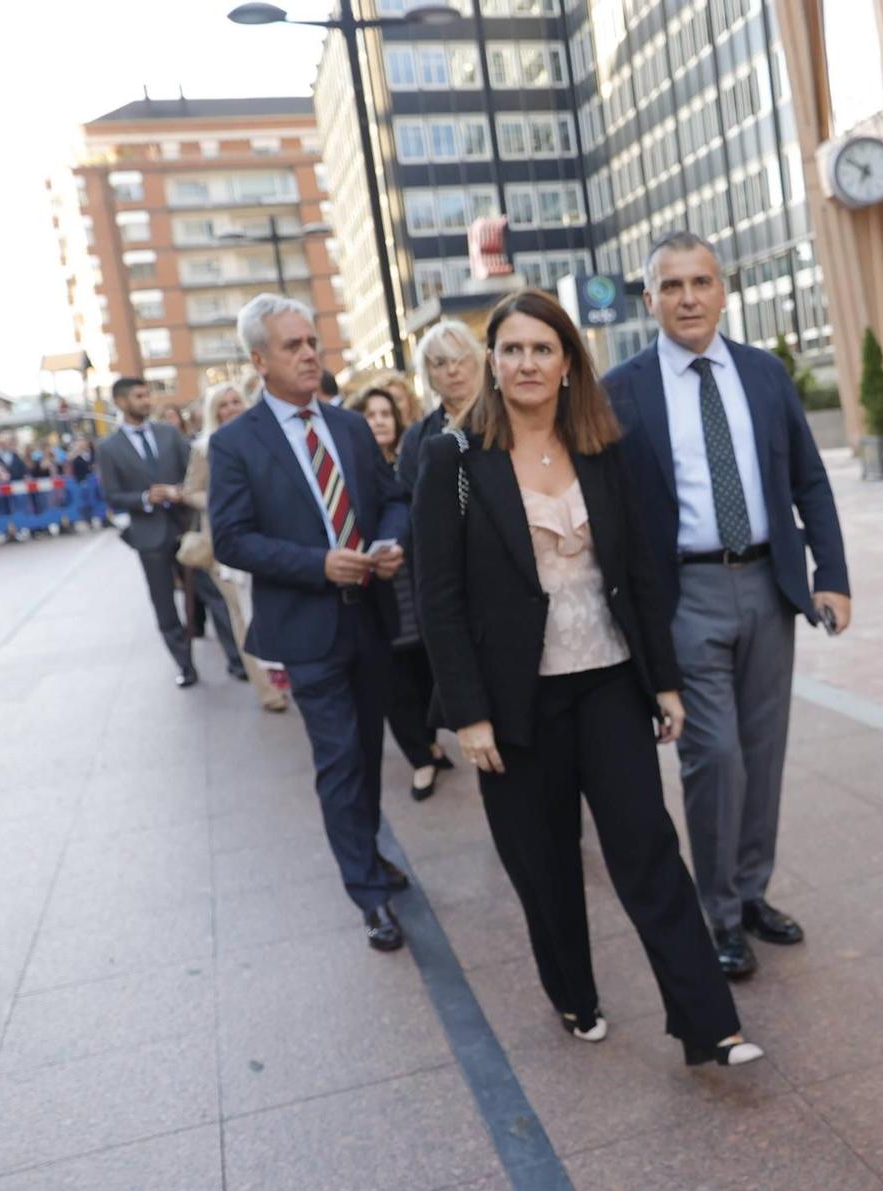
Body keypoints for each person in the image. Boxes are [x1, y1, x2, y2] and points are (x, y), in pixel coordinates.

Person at [413, 288, 762, 1067]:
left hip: (606, 679)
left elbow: (639, 571)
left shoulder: (606, 447)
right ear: (492, 363)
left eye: (543, 349)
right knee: (545, 865)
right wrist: (468, 712)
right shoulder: (453, 458)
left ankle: (711, 1024)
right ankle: (575, 994)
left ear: (568, 362)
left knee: (647, 847)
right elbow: (437, 595)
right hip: (512, 702)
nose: (527, 363)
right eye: (511, 350)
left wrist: (662, 681)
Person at [603, 231, 851, 979]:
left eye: (701, 282)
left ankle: (750, 894)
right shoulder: (623, 388)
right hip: (684, 594)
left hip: (769, 587)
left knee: (763, 749)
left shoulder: (764, 374)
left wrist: (830, 571)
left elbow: (809, 479)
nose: (688, 297)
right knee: (715, 756)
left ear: (722, 289)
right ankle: (715, 914)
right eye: (671, 285)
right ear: (649, 299)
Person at [210, 294, 410, 952]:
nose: (308, 354)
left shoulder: (350, 427)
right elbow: (232, 539)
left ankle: (372, 856)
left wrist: (387, 542)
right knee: (338, 760)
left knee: (369, 751)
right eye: (292, 346)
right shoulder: (236, 442)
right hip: (307, 625)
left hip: (371, 617)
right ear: (259, 359)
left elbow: (392, 498)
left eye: (312, 341)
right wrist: (317, 564)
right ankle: (368, 894)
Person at [348, 381, 451, 797]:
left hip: (422, 587)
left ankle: (431, 741)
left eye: (385, 413)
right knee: (395, 685)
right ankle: (421, 760)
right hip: (382, 591)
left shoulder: (415, 456)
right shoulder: (352, 469)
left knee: (428, 674)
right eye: (370, 415)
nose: (379, 421)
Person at [182, 383, 288, 713]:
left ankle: (287, 673)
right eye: (222, 404)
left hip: (270, 538)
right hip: (226, 547)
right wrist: (221, 501)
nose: (230, 408)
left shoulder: (266, 438)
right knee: (243, 616)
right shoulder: (204, 449)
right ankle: (268, 691)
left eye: (235, 401)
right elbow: (191, 491)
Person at [97, 377, 207, 687]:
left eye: (148, 395)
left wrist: (178, 491)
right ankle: (185, 665)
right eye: (139, 396)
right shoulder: (109, 448)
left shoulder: (168, 433)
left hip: (185, 526)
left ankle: (237, 661)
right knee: (164, 603)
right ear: (121, 402)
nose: (147, 401)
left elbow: (192, 473)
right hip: (149, 534)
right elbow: (113, 497)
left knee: (208, 591)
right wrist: (146, 497)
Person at [396, 319, 487, 493]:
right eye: (440, 363)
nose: (452, 370)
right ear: (427, 374)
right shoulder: (416, 438)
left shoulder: (506, 419)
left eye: (460, 359)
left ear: (477, 361)